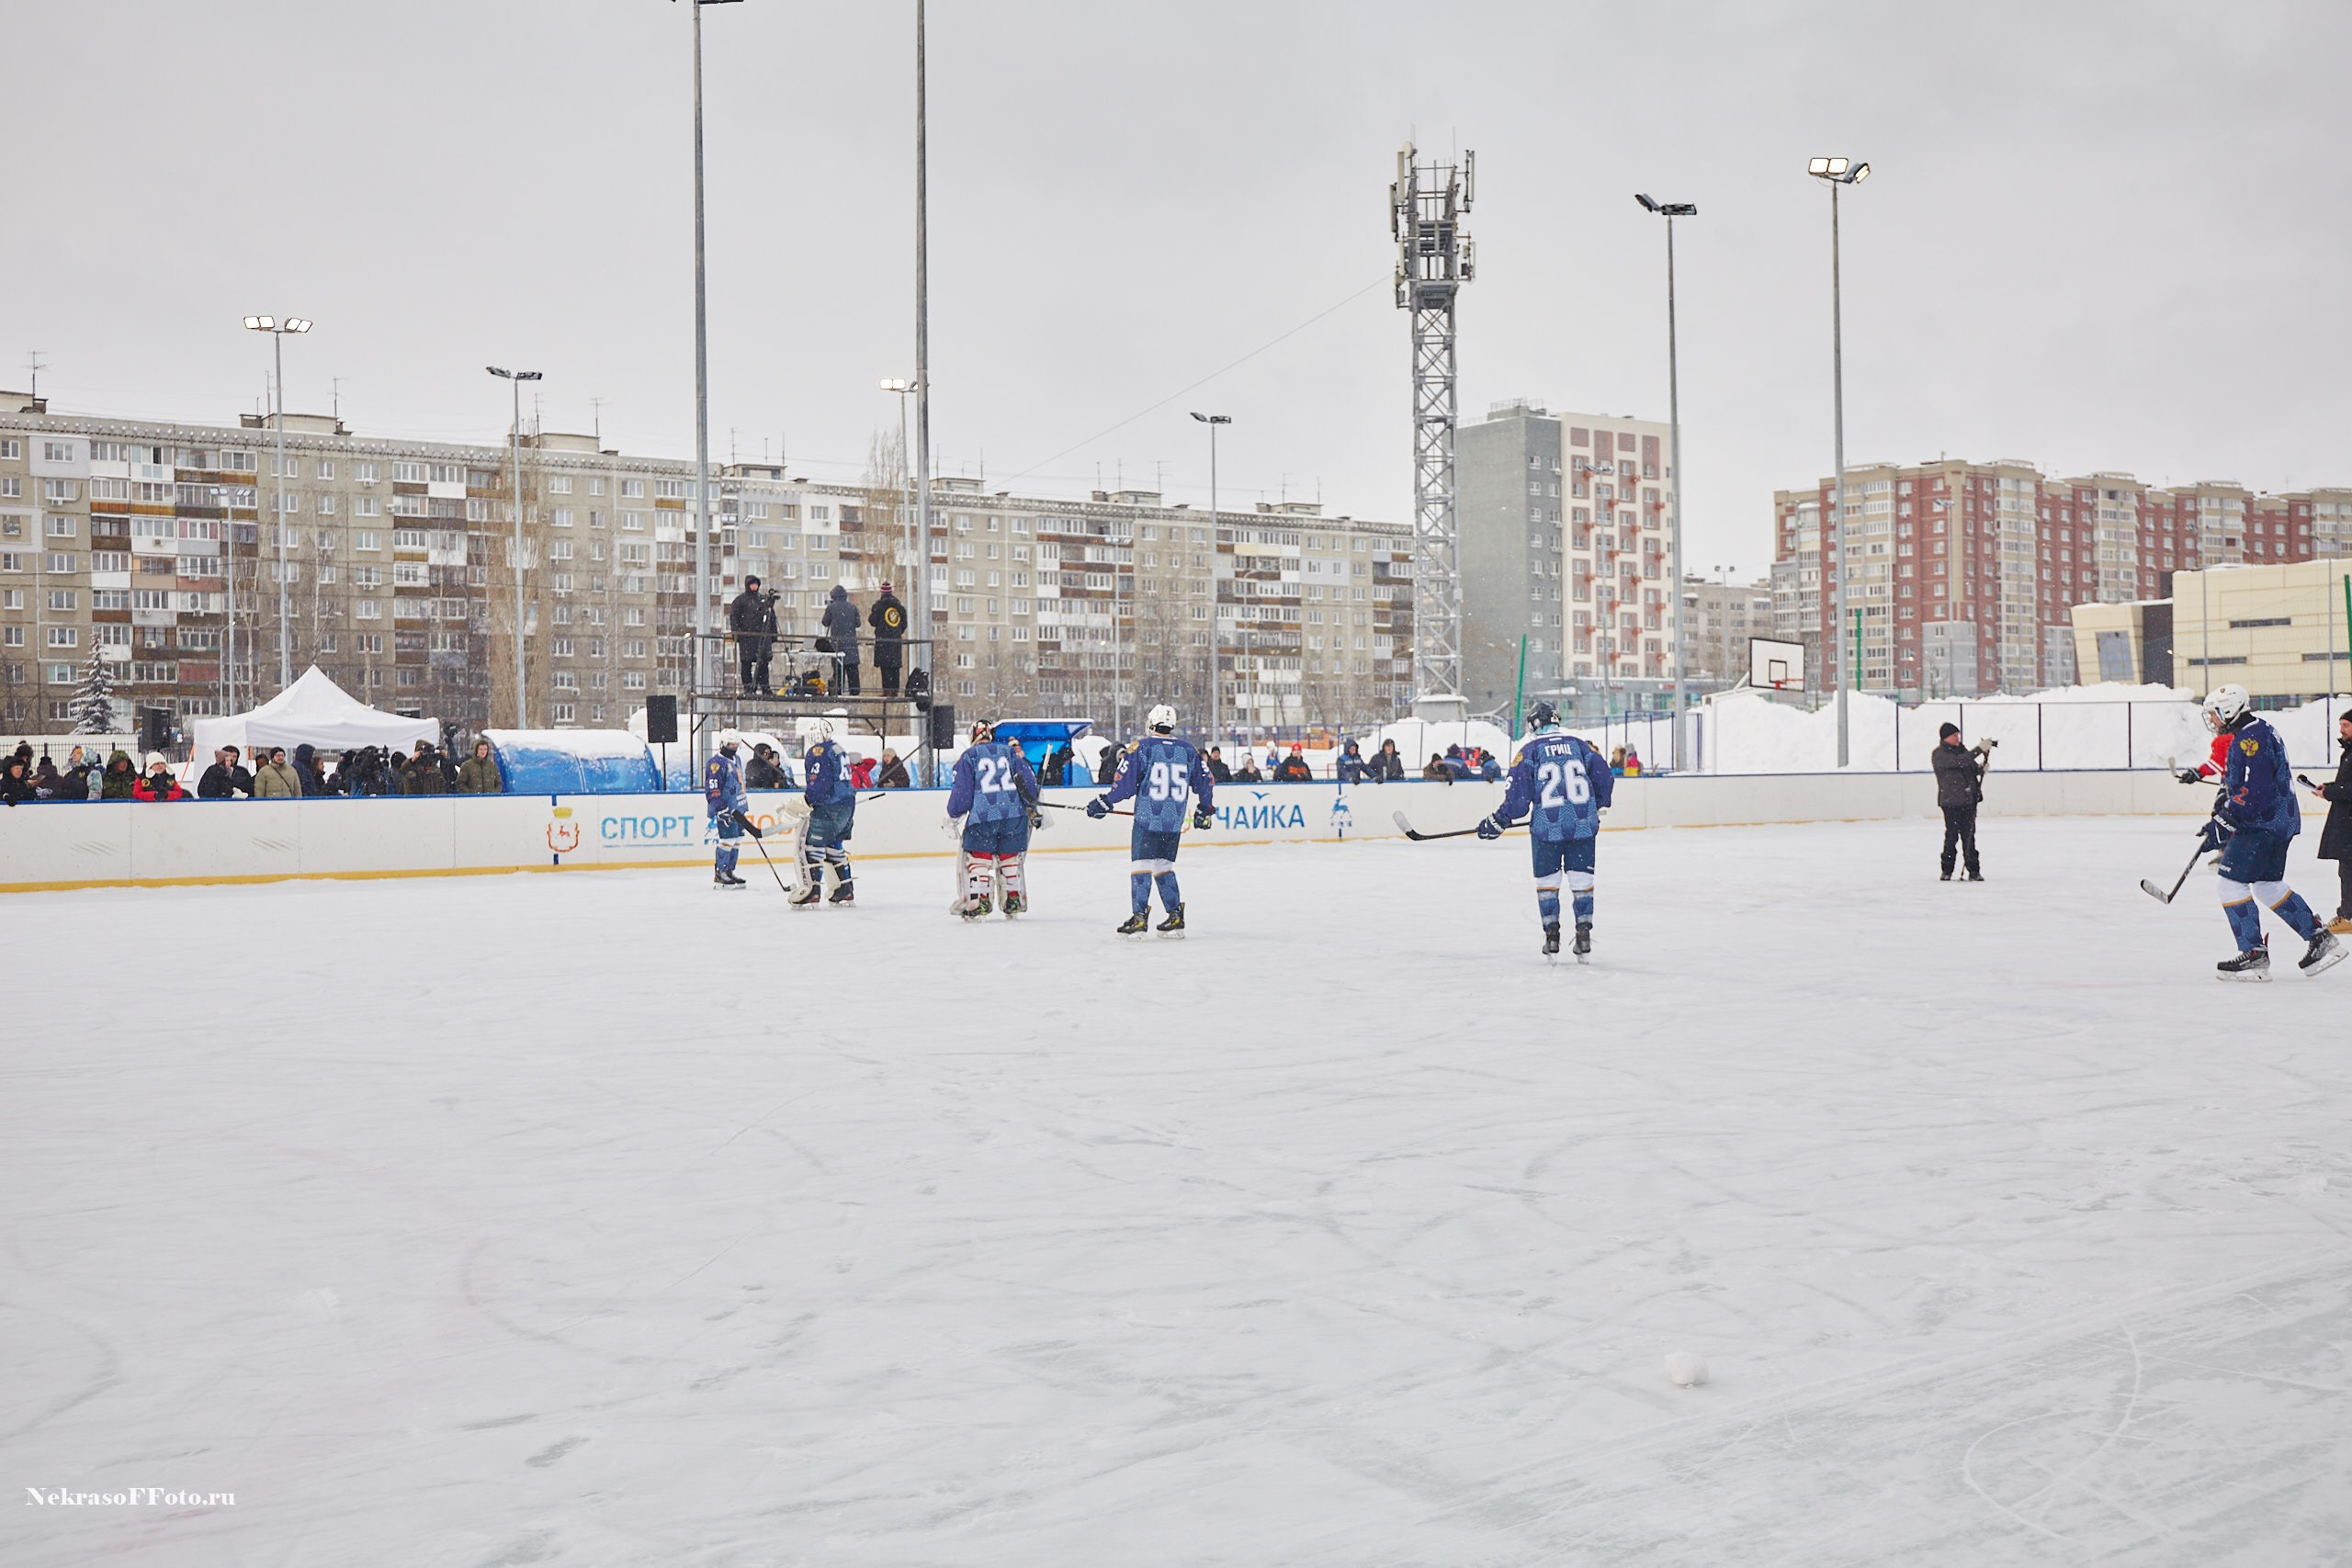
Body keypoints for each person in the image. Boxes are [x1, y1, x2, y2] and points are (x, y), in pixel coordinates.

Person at [2199, 683, 2340, 980]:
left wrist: (2225, 822)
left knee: (2230, 883)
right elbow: (2245, 785)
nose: (2212, 720)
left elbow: (2256, 791)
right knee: (2266, 884)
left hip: (2261, 824)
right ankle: (2319, 938)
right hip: (2276, 822)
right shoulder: (2257, 731)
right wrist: (2221, 813)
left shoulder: (2251, 739)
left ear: (2229, 709)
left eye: (2214, 713)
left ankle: (2253, 954)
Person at [1476, 700, 1613, 961]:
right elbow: (1605, 778)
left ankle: (1552, 935)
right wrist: (1598, 805)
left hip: (1546, 829)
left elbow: (1517, 799)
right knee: (1582, 881)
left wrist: (1498, 821)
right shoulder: (1580, 746)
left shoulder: (1530, 751)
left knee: (1547, 883)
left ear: (1535, 724)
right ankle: (1583, 933)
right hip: (1583, 826)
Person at [1089, 703, 1215, 936]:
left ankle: (1139, 917)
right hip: (1174, 821)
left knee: (1141, 864)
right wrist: (1204, 809)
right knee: (1164, 866)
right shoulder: (1188, 750)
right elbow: (1206, 781)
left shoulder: (1141, 747)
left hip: (1148, 817)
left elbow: (1124, 783)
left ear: (1151, 723)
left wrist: (1106, 801)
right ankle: (1175, 915)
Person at [947, 716, 1042, 919]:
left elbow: (962, 794)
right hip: (1014, 816)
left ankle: (979, 901)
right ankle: (1013, 899)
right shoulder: (1008, 752)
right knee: (1009, 857)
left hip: (984, 814)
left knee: (979, 858)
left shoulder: (969, 755)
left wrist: (953, 814)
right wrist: (1032, 805)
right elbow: (1028, 782)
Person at [795, 716, 858, 906]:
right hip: (847, 803)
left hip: (828, 805)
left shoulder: (818, 751)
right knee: (833, 845)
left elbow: (818, 783)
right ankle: (845, 889)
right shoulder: (838, 748)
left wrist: (807, 800)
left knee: (811, 846)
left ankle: (813, 890)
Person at [1932, 722, 1990, 882]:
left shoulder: (1962, 751)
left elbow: (1969, 766)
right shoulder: (1939, 755)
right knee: (1952, 836)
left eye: (1958, 734)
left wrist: (1981, 768)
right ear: (1946, 738)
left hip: (1968, 801)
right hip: (1951, 802)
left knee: (1969, 836)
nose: (1958, 737)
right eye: (1954, 735)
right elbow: (1959, 762)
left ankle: (1974, 870)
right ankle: (1947, 869)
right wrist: (1979, 749)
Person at [2312, 708, 2352, 935]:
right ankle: (2347, 913)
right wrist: (2328, 788)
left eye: (2346, 725)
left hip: (2349, 822)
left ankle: (2348, 916)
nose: (2341, 730)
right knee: (2346, 869)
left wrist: (2331, 792)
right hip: (2346, 821)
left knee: (2348, 870)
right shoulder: (2348, 751)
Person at [704, 728, 753, 890]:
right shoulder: (716, 764)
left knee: (737, 840)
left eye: (736, 744)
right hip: (726, 809)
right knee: (728, 840)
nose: (734, 747)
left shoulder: (737, 759)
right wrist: (720, 808)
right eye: (731, 744)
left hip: (738, 809)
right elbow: (713, 789)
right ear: (723, 744)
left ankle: (730, 870)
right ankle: (721, 871)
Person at [728, 576, 779, 694]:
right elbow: (734, 617)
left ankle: (765, 687)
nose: (754, 587)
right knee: (746, 664)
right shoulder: (740, 601)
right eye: (752, 584)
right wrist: (737, 634)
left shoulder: (763, 600)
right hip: (747, 638)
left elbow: (771, 617)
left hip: (762, 637)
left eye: (756, 584)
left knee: (763, 664)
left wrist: (773, 635)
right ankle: (749, 687)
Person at [820, 584, 863, 696]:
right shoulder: (852, 607)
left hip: (837, 644)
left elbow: (825, 622)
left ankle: (838, 691)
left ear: (833, 596)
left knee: (838, 670)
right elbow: (858, 624)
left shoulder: (831, 608)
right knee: (852, 668)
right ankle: (855, 691)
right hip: (851, 644)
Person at [868, 581, 909, 696]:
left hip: (883, 641)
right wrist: (896, 632)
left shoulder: (878, 606)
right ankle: (895, 690)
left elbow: (872, 621)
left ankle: (887, 690)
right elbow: (904, 624)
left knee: (885, 667)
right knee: (895, 666)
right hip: (895, 641)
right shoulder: (899, 606)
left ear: (882, 592)